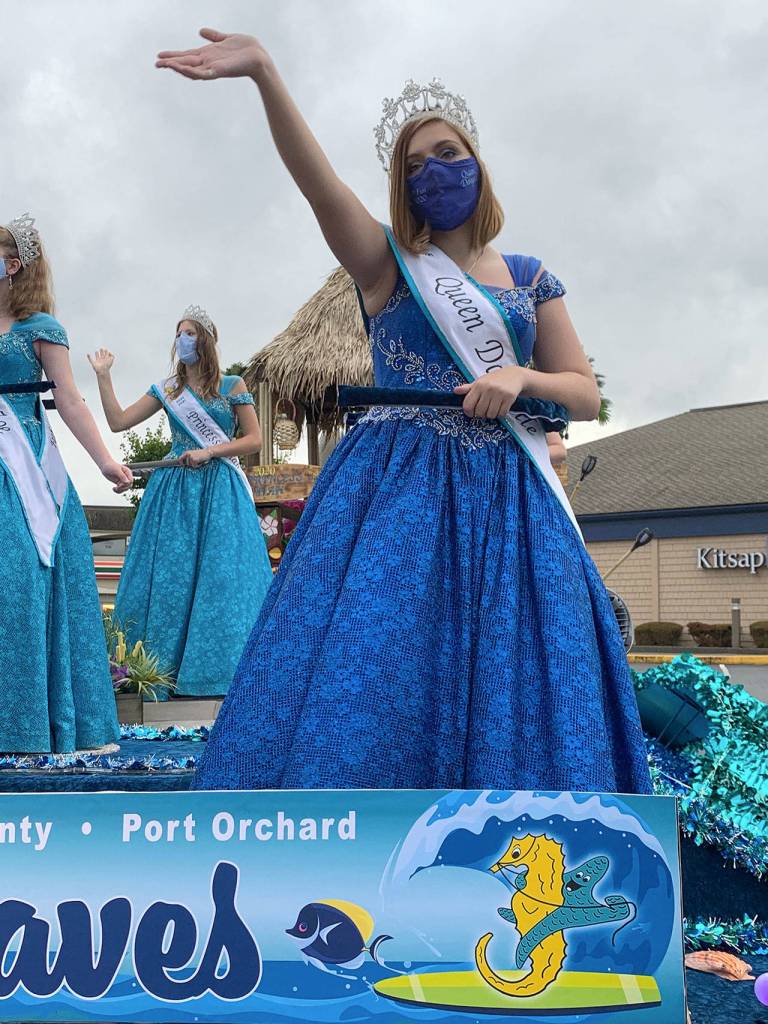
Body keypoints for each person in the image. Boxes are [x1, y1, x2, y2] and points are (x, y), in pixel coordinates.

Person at [157, 30, 652, 795]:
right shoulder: (387, 262)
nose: (433, 173)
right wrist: (264, 75)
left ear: (478, 163)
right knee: (375, 664)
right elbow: (318, 184)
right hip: (396, 494)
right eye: (414, 166)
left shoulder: (530, 277)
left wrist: (520, 376)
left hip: (509, 497)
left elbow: (581, 391)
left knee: (517, 670)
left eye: (448, 154)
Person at [88, 306, 273, 698]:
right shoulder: (168, 391)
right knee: (171, 578)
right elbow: (119, 422)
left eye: (188, 333)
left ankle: (219, 676)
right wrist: (103, 377)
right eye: (178, 333)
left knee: (222, 578)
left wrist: (211, 452)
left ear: (205, 339)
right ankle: (152, 673)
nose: (181, 340)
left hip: (220, 491)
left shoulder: (233, 385)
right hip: (173, 495)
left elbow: (255, 440)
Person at [0, 213, 131, 753]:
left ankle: (26, 722)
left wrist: (104, 460)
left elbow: (70, 400)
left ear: (16, 265)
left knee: (18, 584)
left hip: (22, 468)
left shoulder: (40, 329)